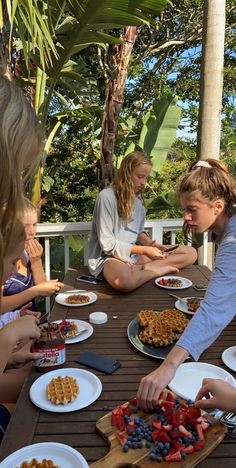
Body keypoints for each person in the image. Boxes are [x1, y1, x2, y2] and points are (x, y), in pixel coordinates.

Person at [136, 158, 236, 409]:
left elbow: (214, 310)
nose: (186, 217)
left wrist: (168, 367)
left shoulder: (232, 242)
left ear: (218, 206)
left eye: (192, 209)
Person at [88, 151, 197, 292]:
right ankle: (156, 270)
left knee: (191, 253)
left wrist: (150, 244)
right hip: (110, 258)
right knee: (124, 281)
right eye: (140, 177)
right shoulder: (106, 197)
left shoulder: (138, 200)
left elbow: (137, 232)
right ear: (126, 174)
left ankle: (143, 269)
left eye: (146, 178)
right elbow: (107, 245)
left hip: (134, 256)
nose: (143, 182)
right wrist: (144, 250)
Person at [1, 198, 64, 313]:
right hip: (9, 327)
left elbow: (42, 289)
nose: (32, 231)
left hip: (32, 321)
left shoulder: (26, 251)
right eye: (25, 226)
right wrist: (35, 291)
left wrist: (36, 261)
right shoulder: (3, 257)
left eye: (34, 224)